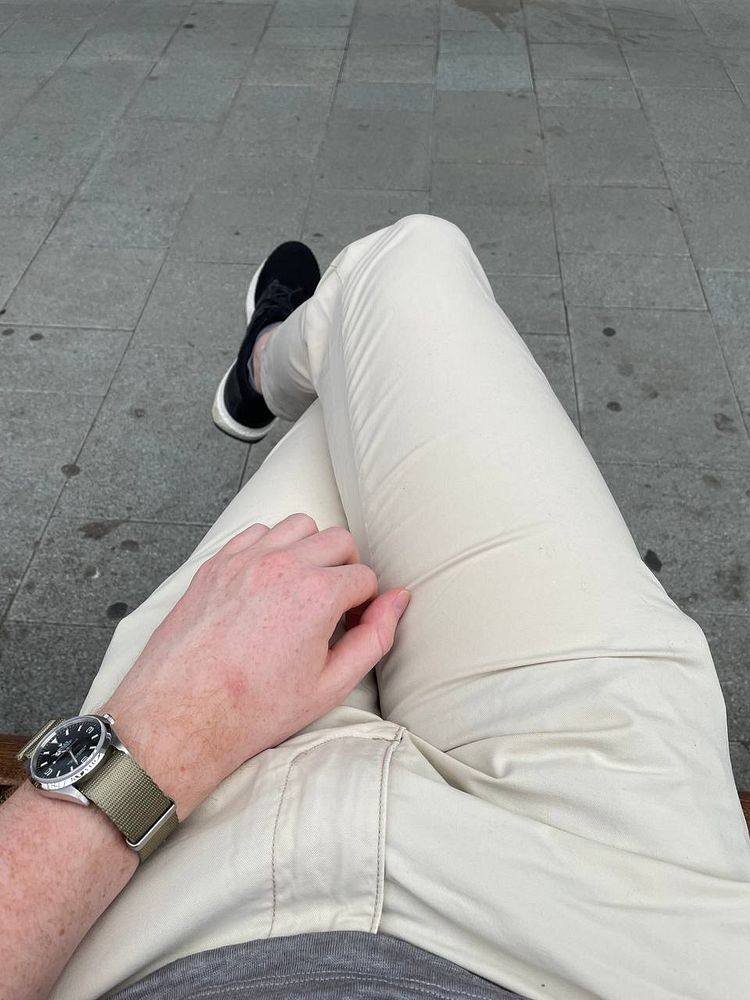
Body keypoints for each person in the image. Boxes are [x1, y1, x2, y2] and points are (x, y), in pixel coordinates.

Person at [1, 216, 748, 1000]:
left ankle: (272, 361)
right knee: (403, 277)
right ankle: (270, 362)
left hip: (151, 896)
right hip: (621, 918)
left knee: (380, 338)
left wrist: (166, 733)